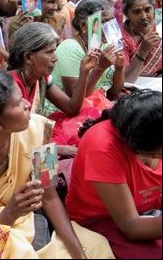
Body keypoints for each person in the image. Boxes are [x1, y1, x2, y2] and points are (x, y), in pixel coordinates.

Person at [0, 70, 115, 259]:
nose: (28, 104)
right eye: (18, 103)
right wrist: (10, 213)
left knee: (96, 246)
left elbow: (49, 195)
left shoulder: (40, 130)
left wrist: (79, 254)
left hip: (29, 226)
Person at [66, 90, 162, 259]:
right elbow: (130, 226)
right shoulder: (102, 145)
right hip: (101, 219)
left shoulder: (149, 141)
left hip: (143, 213)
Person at [44, 0, 125, 145]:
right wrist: (100, 67)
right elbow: (75, 97)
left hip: (97, 107)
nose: (110, 27)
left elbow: (114, 91)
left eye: (112, 22)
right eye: (104, 22)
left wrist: (119, 68)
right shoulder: (70, 47)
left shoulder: (105, 45)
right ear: (83, 26)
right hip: (66, 112)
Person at [8, 22, 100, 120]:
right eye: (50, 52)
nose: (55, 58)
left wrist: (84, 72)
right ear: (28, 57)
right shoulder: (10, 85)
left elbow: (71, 108)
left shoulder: (41, 79)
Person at [121, 0, 162, 81]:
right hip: (135, 89)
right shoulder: (121, 39)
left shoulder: (159, 25)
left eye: (147, 10)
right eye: (137, 12)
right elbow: (125, 81)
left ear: (154, 7)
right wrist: (143, 51)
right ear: (126, 14)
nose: (144, 16)